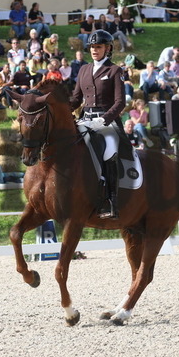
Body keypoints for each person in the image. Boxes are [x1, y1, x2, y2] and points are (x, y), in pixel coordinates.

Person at [70, 30, 125, 219]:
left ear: (107, 48)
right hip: (85, 119)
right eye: (92, 47)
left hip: (106, 122)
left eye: (98, 47)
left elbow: (120, 102)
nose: (94, 50)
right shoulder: (84, 70)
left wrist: (104, 119)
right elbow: (76, 99)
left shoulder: (114, 70)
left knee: (109, 151)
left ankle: (112, 202)